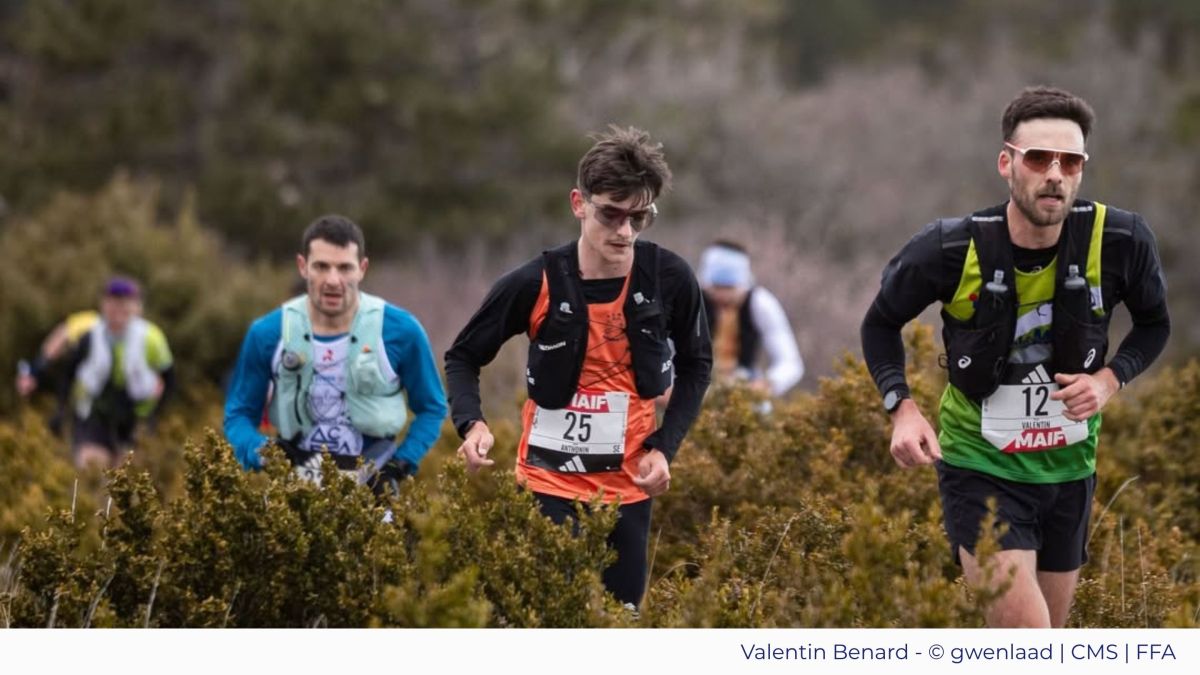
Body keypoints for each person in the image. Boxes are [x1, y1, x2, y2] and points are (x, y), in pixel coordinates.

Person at [861, 87, 1170, 627]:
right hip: (981, 468)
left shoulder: (1120, 239)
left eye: (1070, 161)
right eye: (1039, 158)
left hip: (1069, 469)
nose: (1055, 173)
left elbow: (1154, 324)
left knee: (1044, 640)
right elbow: (880, 323)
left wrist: (1108, 382)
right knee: (1029, 643)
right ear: (1007, 163)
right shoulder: (949, 247)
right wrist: (902, 409)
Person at [444, 126, 712, 608]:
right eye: (611, 213)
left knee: (621, 624)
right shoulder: (533, 281)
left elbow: (698, 365)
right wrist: (472, 422)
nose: (625, 231)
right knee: (545, 619)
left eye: (640, 217)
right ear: (578, 203)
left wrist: (664, 447)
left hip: (628, 492)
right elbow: (463, 356)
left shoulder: (670, 277)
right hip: (547, 484)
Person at [223, 215, 447, 490]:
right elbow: (238, 415)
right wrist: (263, 453)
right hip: (295, 490)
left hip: (374, 485)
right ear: (303, 267)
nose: (333, 280)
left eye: (344, 268)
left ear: (362, 269)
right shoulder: (268, 333)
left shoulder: (402, 331)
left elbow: (432, 408)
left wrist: (399, 465)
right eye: (321, 266)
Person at [16, 277, 176, 469]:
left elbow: (168, 376)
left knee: (125, 480)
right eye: (113, 302)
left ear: (137, 307)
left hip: (136, 416)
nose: (118, 310)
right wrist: (35, 372)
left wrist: (158, 415)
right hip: (94, 412)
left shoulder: (151, 337)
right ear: (103, 304)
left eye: (125, 304)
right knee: (92, 470)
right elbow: (59, 339)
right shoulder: (90, 327)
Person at [697, 240, 804, 396]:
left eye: (729, 288)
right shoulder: (690, 303)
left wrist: (766, 385)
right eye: (717, 288)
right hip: (696, 387)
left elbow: (790, 363)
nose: (722, 296)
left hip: (744, 389)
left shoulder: (761, 304)